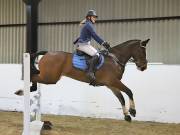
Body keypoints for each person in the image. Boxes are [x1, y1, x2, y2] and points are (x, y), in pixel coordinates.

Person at [74, 9, 111, 83]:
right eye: (93, 17)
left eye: (95, 17)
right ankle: (90, 72)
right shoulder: (88, 25)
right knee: (96, 54)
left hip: (84, 44)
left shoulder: (88, 24)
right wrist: (103, 43)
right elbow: (95, 36)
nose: (95, 19)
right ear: (89, 18)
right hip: (83, 45)